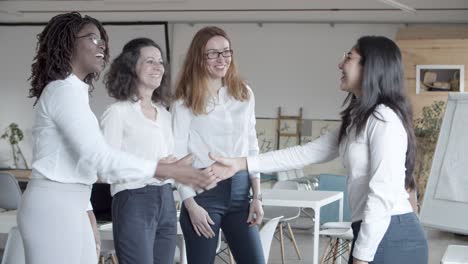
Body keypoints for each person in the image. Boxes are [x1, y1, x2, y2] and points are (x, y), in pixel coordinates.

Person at [210, 36, 429, 264]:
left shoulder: (383, 119)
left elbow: (382, 192)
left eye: (349, 57)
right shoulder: (358, 118)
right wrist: (241, 163)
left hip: (392, 236)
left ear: (370, 67)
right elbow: (306, 153)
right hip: (375, 232)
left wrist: (361, 257)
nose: (340, 64)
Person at [19, 12, 216, 264]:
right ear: (68, 43)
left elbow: (83, 164)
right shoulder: (62, 91)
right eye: (92, 38)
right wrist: (160, 168)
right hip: (54, 204)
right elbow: (98, 157)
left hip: (74, 202)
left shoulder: (75, 92)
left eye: (102, 39)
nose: (101, 44)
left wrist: (87, 211)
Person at [172, 26, 265, 264]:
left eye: (226, 52)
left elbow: (252, 146)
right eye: (212, 53)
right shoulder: (184, 100)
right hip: (203, 195)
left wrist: (257, 196)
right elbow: (178, 155)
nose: (221, 59)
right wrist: (190, 204)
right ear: (199, 58)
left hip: (241, 192)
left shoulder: (245, 94)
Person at [101, 37, 178, 264]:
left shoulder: (164, 114)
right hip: (133, 199)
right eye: (149, 61)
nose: (158, 67)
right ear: (131, 68)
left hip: (166, 199)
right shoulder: (117, 113)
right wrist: (152, 170)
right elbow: (105, 168)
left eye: (160, 62)